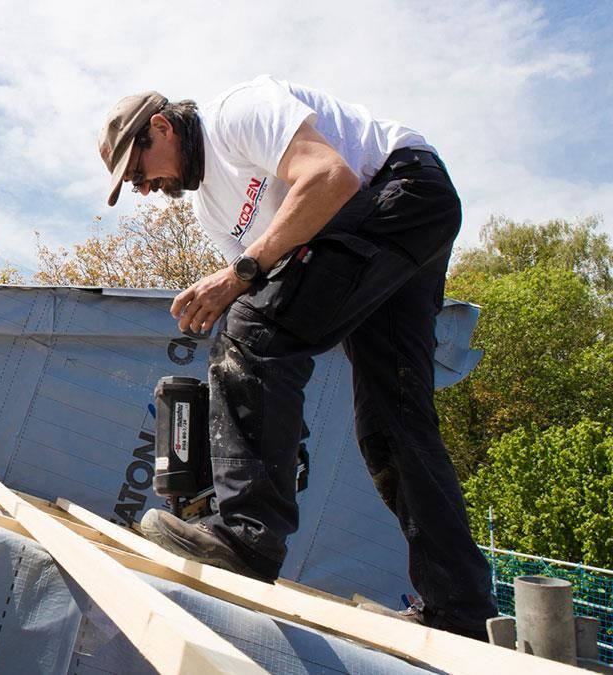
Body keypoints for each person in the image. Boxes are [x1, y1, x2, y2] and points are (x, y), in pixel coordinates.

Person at [98, 75, 497, 640]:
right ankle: (460, 608)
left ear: (159, 128)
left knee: (251, 331)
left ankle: (246, 537)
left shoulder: (237, 113)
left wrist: (236, 280)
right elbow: (288, 295)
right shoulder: (214, 209)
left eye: (140, 172)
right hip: (386, 229)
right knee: (392, 424)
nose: (145, 187)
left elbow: (329, 178)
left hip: (399, 189)